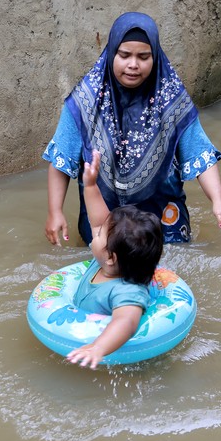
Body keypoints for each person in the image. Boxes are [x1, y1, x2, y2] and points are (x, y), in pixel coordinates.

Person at [43, 12, 221, 247]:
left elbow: (199, 153)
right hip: (104, 225)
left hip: (164, 226)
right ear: (112, 52)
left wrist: (218, 200)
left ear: (156, 58)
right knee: (107, 266)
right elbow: (61, 159)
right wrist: (55, 211)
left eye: (143, 56)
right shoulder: (84, 102)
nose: (133, 64)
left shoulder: (172, 99)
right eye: (124, 55)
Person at [65, 150, 163, 369]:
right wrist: (90, 185)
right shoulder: (106, 262)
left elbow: (125, 322)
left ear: (111, 257)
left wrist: (98, 347)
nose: (95, 231)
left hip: (114, 359)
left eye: (99, 234)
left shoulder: (126, 291)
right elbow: (100, 220)